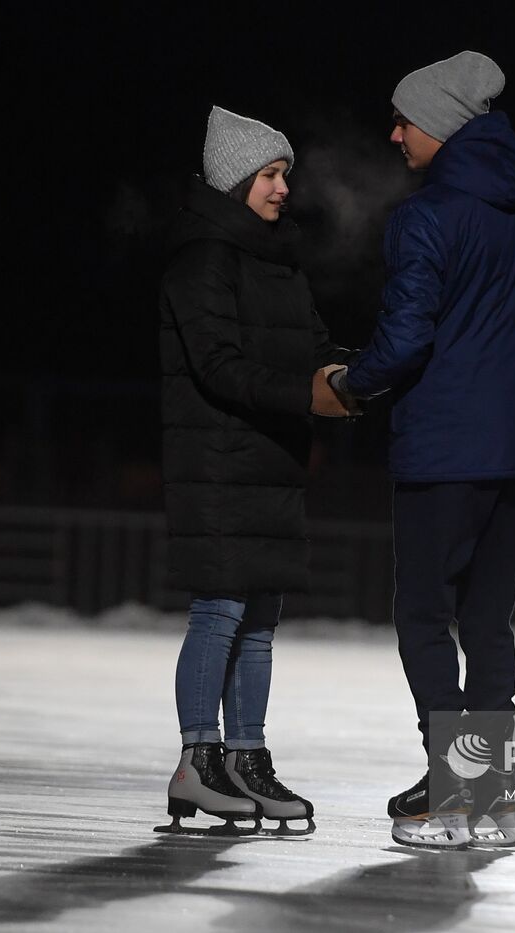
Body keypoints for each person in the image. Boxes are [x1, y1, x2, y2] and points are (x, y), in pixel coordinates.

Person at [331, 51, 515, 849]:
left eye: (404, 119)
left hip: (443, 447)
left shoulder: (428, 215)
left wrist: (348, 383)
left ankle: (460, 790)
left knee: (425, 617)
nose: (394, 133)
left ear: (441, 124)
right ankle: (486, 789)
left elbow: (403, 341)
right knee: (487, 621)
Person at [156, 105, 355, 836]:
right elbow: (216, 366)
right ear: (235, 177)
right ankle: (196, 760)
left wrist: (351, 375)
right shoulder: (201, 257)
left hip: (270, 455)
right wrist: (305, 394)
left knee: (261, 622)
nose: (281, 189)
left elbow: (314, 343)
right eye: (270, 174)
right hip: (217, 457)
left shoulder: (279, 259)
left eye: (284, 175)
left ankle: (245, 757)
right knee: (220, 612)